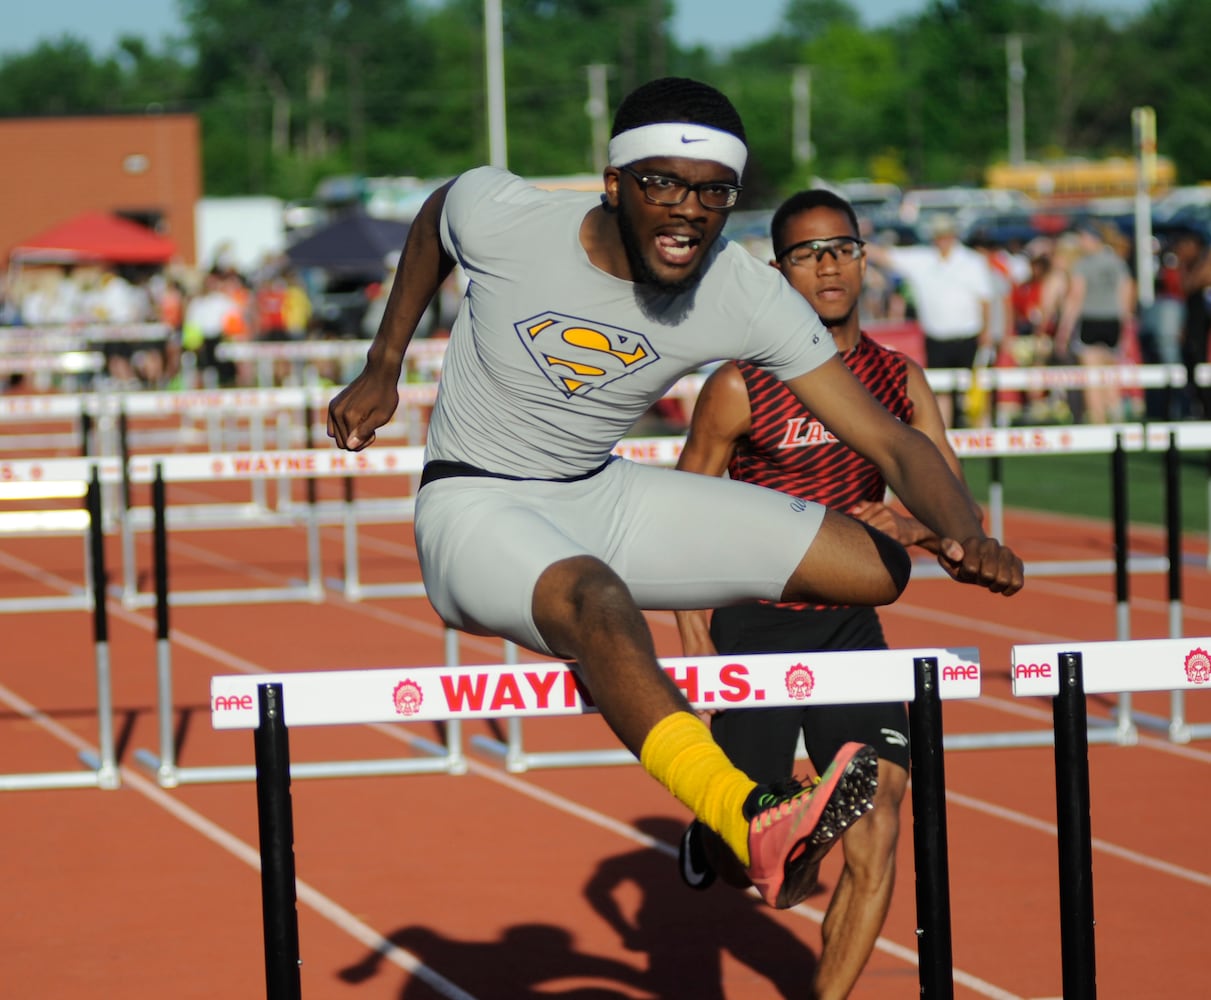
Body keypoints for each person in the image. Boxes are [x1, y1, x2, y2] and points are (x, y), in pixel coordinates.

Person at [327, 77, 1023, 915]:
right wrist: (383, 363)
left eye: (713, 193)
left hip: (599, 492)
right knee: (597, 599)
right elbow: (437, 214)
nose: (688, 211)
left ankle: (687, 764)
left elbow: (888, 437)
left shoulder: (740, 289)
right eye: (663, 184)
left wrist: (963, 530)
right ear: (614, 183)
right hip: (473, 503)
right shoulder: (505, 214)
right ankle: (741, 812)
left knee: (873, 567)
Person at [672, 189, 968, 999]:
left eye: (841, 247)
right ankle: (712, 841)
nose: (828, 266)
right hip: (752, 623)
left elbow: (949, 500)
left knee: (878, 831)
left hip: (848, 631)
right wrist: (695, 645)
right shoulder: (739, 385)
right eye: (807, 253)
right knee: (749, 860)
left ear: (865, 256)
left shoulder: (897, 380)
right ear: (779, 271)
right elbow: (676, 517)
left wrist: (912, 526)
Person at [866, 215, 995, 427]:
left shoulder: (972, 261)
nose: (942, 240)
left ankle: (983, 437)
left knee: (976, 391)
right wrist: (851, 239)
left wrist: (987, 333)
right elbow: (885, 256)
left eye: (945, 235)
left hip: (969, 337)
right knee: (941, 392)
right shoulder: (922, 260)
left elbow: (985, 300)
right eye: (938, 236)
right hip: (936, 339)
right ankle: (946, 440)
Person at [1054, 222, 1135, 424]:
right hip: (1112, 321)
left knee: (1092, 376)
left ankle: (1099, 420)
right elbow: (1127, 291)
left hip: (1091, 320)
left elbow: (1076, 297)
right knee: (1109, 374)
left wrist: (1064, 330)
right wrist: (1124, 319)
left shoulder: (1084, 264)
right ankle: (1116, 416)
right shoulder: (1116, 261)